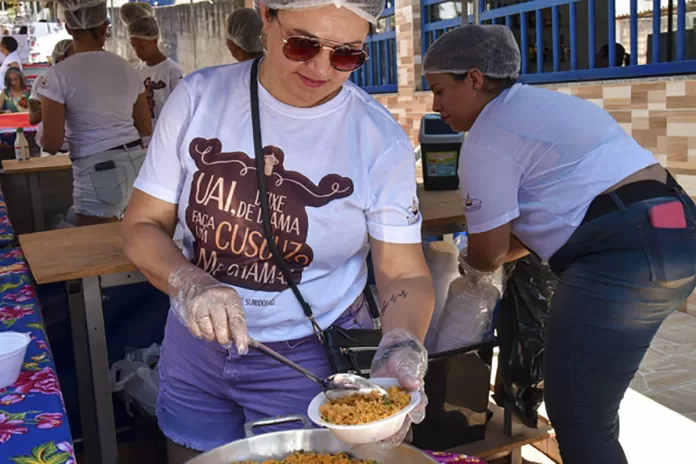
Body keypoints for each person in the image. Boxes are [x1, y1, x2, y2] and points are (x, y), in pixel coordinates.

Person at [121, 0, 435, 461]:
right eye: (303, 44)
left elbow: (403, 272)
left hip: (308, 360)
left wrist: (401, 341)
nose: (322, 68)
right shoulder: (198, 99)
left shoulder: (377, 138)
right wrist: (191, 282)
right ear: (266, 17)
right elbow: (142, 225)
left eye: (347, 54)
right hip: (196, 348)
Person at [423, 25, 696, 464]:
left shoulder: (487, 139)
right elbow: (543, 228)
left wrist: (461, 266)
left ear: (474, 78)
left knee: (578, 416)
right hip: (676, 228)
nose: (436, 107)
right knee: (593, 407)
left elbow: (490, 253)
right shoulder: (544, 105)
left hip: (621, 258)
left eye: (439, 90)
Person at [38, 0, 152, 226]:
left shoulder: (58, 75)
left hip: (96, 168)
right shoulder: (129, 69)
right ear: (104, 28)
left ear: (68, 28)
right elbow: (146, 129)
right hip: (137, 165)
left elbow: (51, 144)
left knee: (94, 247)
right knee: (135, 238)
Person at [121, 7, 183, 138]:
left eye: (142, 45)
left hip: (166, 136)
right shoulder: (138, 71)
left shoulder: (172, 71)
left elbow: (180, 110)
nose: (138, 51)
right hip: (143, 139)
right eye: (134, 46)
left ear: (155, 40)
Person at [29, 39, 73, 152]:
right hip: (52, 149)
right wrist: (53, 102)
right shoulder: (42, 81)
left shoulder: (83, 81)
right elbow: (33, 119)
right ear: (63, 58)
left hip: (80, 147)